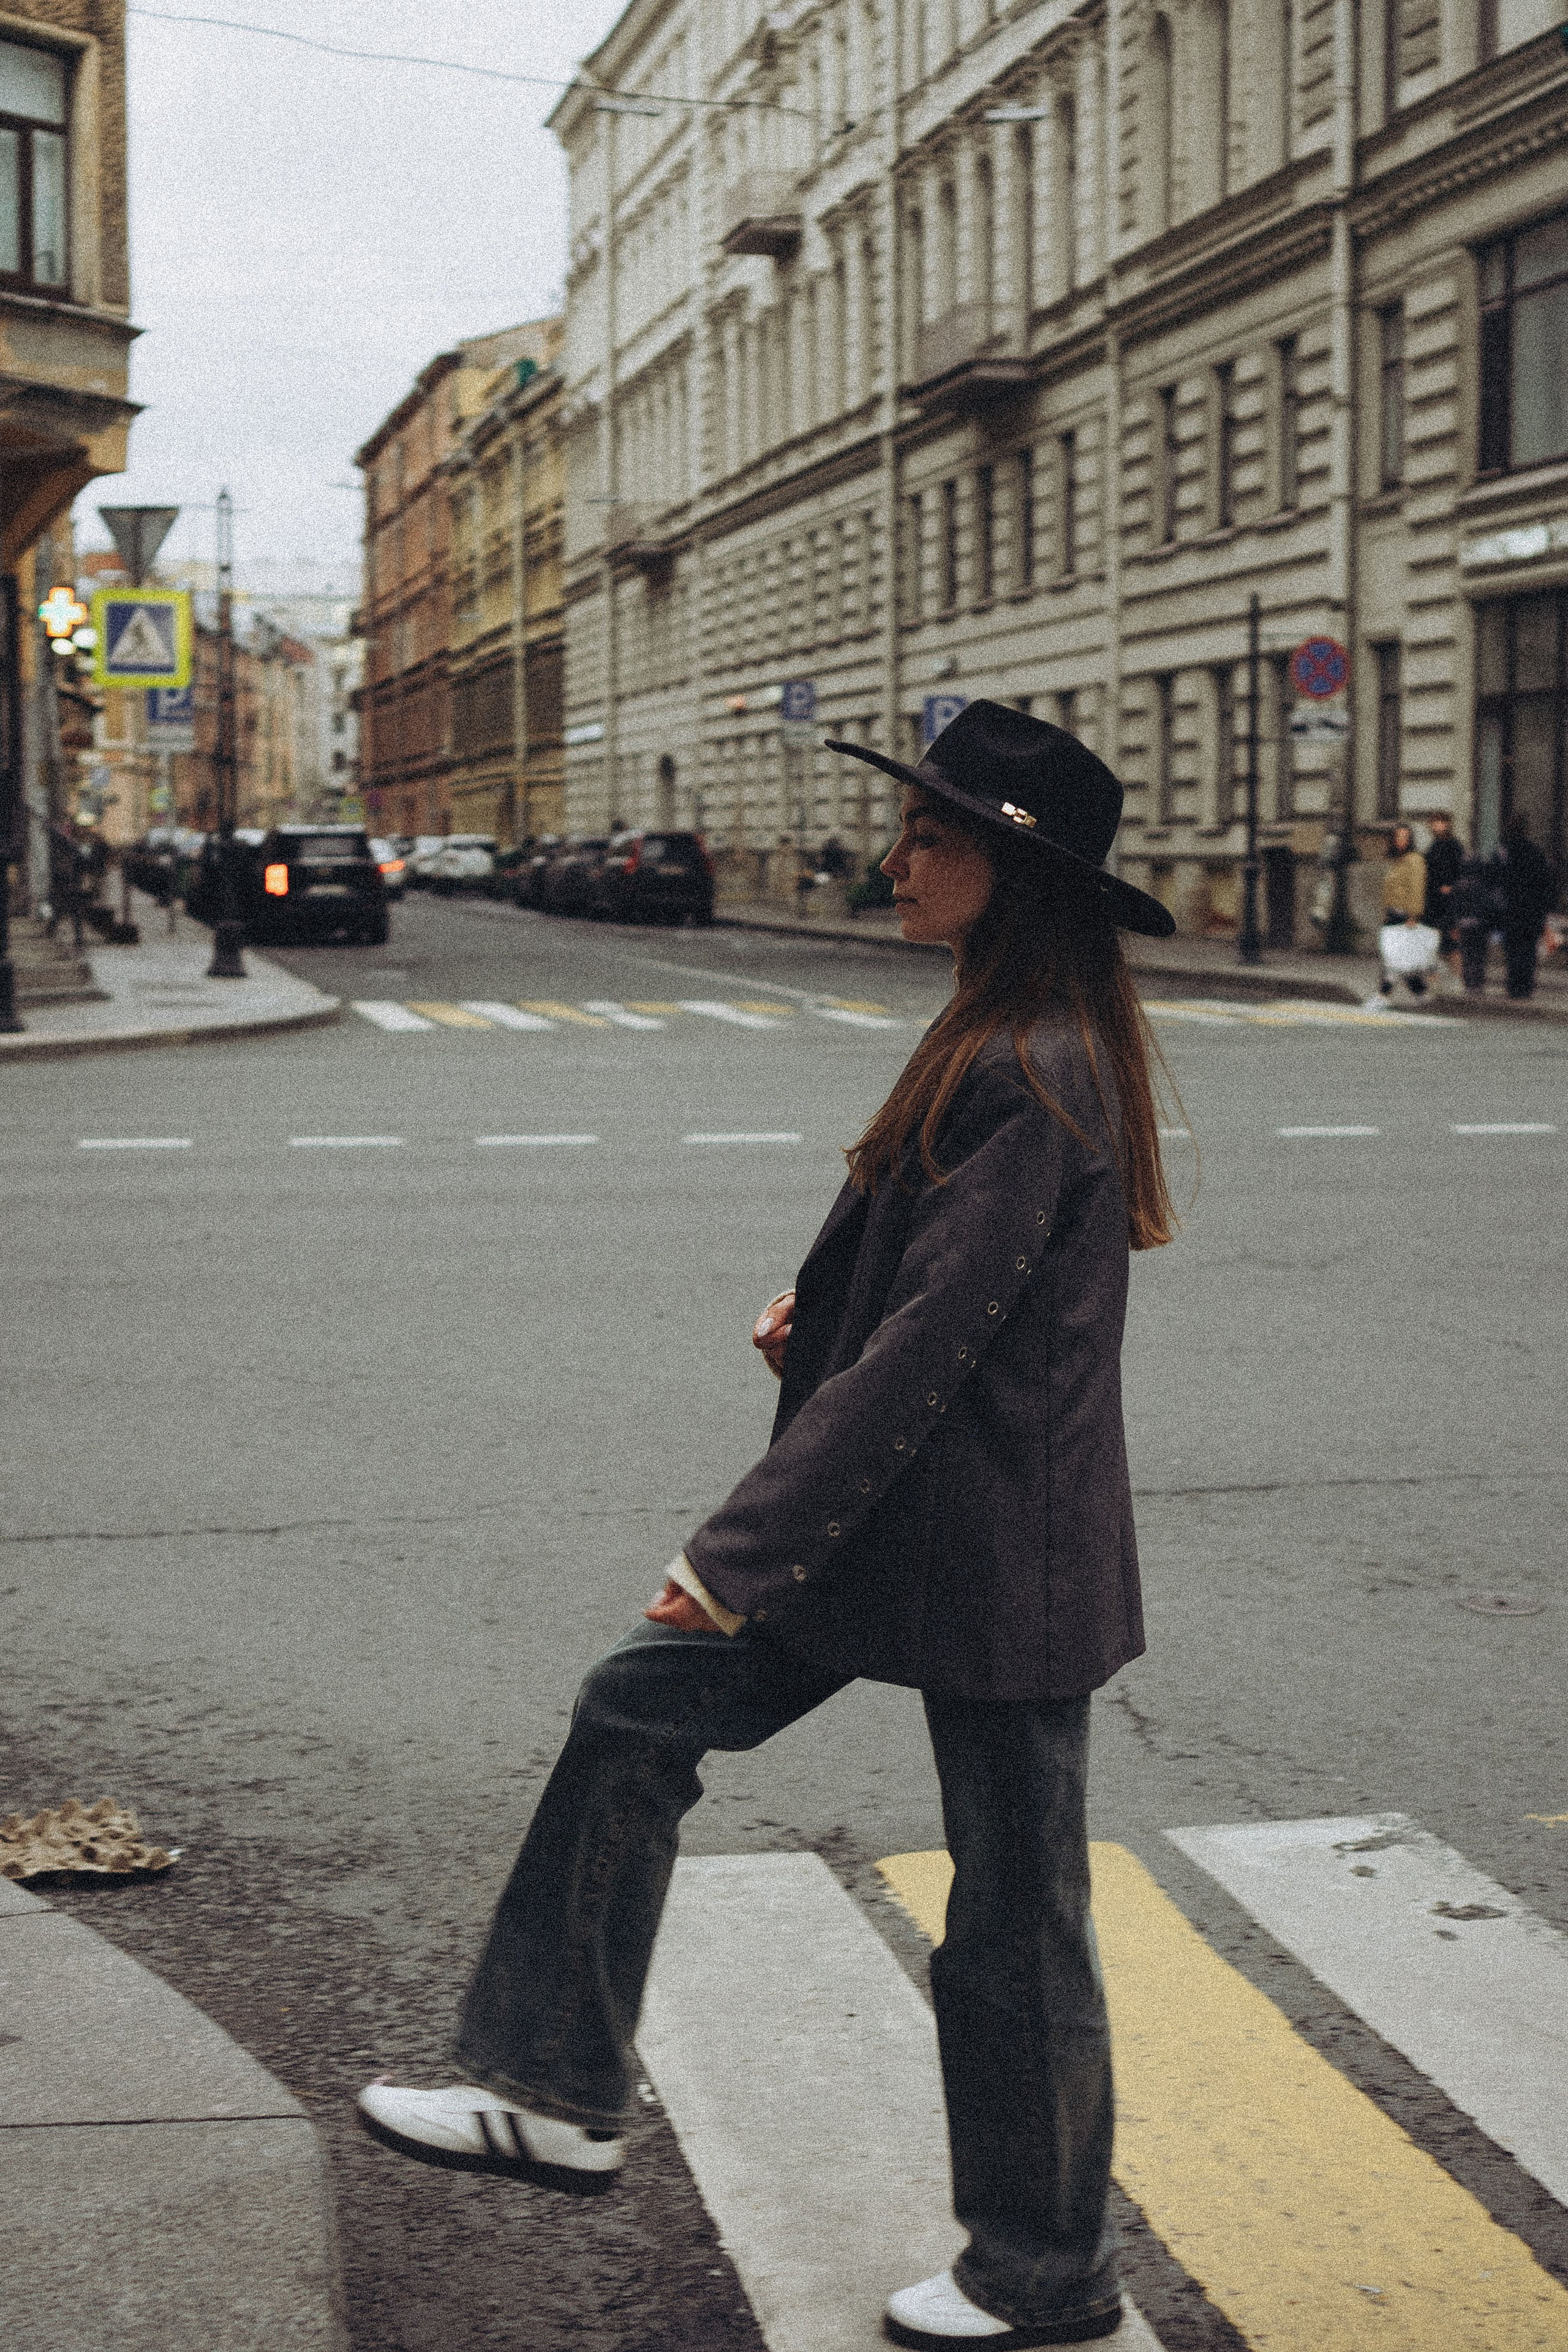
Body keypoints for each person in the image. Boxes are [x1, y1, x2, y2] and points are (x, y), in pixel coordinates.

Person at [358, 701, 1179, 2352]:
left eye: (934, 837)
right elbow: (924, 1292)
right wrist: (816, 1312)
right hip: (907, 1537)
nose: (896, 860)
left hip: (993, 1555)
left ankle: (1046, 2273)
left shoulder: (1041, 1067)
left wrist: (724, 1564)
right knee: (630, 1714)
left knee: (1016, 1919)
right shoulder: (996, 1033)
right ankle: (554, 2086)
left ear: (1015, 876)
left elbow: (938, 1359)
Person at [1488, 815, 1558, 1001]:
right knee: (1528, 951)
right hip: (1531, 911)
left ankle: (1514, 986)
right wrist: (1544, 909)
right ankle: (1525, 986)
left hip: (1510, 910)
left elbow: (1494, 880)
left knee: (1513, 951)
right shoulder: (1535, 852)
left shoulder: (1503, 852)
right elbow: (1546, 883)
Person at [1378, 821, 1430, 1000]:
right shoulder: (1398, 861)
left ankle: (1383, 994)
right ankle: (1421, 992)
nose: (1401, 841)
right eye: (1398, 837)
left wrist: (1413, 915)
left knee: (1394, 956)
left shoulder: (1414, 860)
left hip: (1404, 914)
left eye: (1405, 837)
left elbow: (1416, 888)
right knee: (1401, 958)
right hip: (1393, 913)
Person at [1422, 813, 1464, 967]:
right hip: (1434, 902)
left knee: (1452, 943)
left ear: (1448, 825)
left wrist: (1452, 887)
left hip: (1450, 903)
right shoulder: (1433, 847)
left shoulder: (1454, 846)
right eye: (1434, 823)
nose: (1437, 826)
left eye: (1441, 822)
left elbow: (1461, 872)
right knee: (1435, 943)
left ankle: (1460, 978)